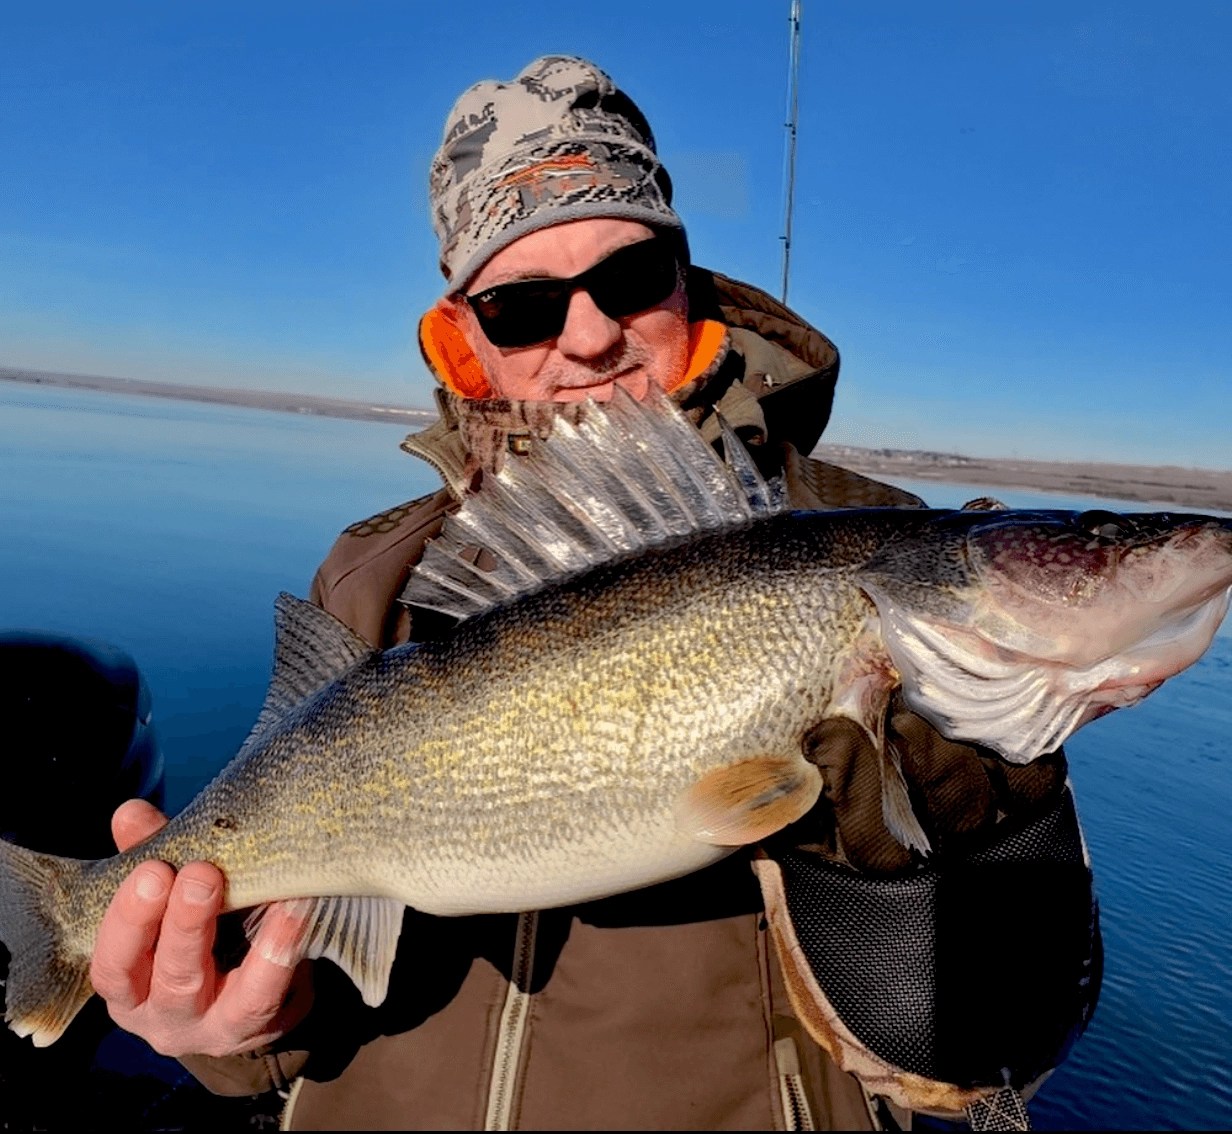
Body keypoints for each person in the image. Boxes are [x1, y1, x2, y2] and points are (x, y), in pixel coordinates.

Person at [89, 56, 1075, 1129]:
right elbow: (293, 1011)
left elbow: (998, 1052)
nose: (592, 335)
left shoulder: (880, 546)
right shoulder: (373, 577)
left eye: (632, 274)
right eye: (521, 305)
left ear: (686, 280)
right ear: (464, 335)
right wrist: (236, 1029)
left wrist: (984, 834)